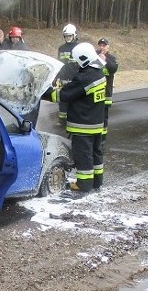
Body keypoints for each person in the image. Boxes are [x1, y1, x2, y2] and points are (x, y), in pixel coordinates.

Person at [44, 42, 107, 193]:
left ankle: (84, 185)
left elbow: (63, 95)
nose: (76, 64)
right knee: (95, 154)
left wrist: (43, 91)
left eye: (77, 61)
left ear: (83, 59)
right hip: (96, 124)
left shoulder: (85, 77)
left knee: (83, 155)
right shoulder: (99, 73)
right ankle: (97, 182)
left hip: (83, 125)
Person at [55, 23, 80, 124]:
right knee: (63, 99)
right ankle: (62, 120)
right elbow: (58, 64)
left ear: (74, 35)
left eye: (70, 36)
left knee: (75, 100)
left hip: (75, 78)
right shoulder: (61, 48)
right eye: (66, 36)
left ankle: (74, 119)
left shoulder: (79, 48)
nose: (68, 38)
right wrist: (55, 77)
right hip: (63, 78)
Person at [96, 37, 119, 140]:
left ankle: (103, 137)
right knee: (95, 115)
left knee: (104, 116)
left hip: (106, 94)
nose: (102, 47)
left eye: (104, 46)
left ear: (108, 47)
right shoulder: (94, 57)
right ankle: (96, 135)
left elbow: (113, 69)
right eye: (100, 45)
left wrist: (104, 59)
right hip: (95, 93)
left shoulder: (112, 59)